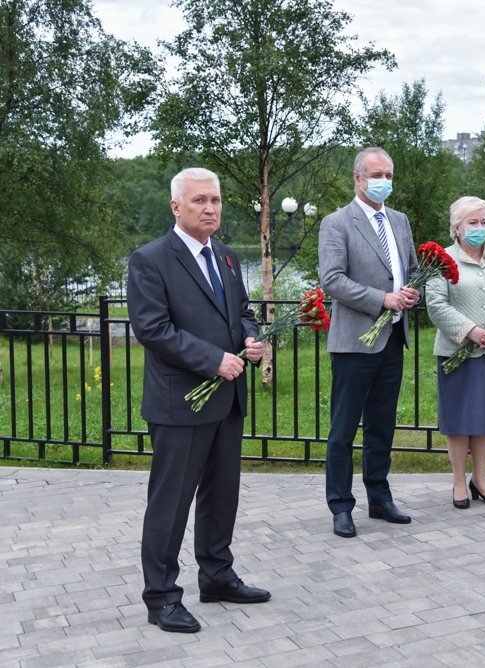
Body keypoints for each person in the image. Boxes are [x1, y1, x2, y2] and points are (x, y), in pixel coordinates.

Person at [127, 168, 270, 634]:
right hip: (181, 403)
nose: (210, 208)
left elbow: (243, 312)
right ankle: (162, 597)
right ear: (176, 207)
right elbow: (153, 329)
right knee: (170, 505)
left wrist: (250, 340)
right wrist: (213, 360)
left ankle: (217, 576)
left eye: (215, 200)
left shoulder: (226, 256)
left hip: (227, 399)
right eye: (199, 201)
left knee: (221, 496)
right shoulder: (150, 260)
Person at [318, 147, 420, 538]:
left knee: (381, 426)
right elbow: (333, 280)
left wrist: (412, 294)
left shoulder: (400, 220)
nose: (384, 182)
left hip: (392, 339)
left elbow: (412, 271)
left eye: (388, 175)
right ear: (358, 178)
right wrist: (382, 299)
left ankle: (379, 498)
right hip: (353, 342)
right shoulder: (336, 223)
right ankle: (341, 506)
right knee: (343, 431)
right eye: (377, 175)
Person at [425, 197, 485, 508]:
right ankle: (458, 482)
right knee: (459, 419)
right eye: (472, 222)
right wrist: (470, 331)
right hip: (457, 351)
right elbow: (436, 304)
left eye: (483, 222)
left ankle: (480, 479)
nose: (479, 228)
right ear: (457, 227)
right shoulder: (441, 261)